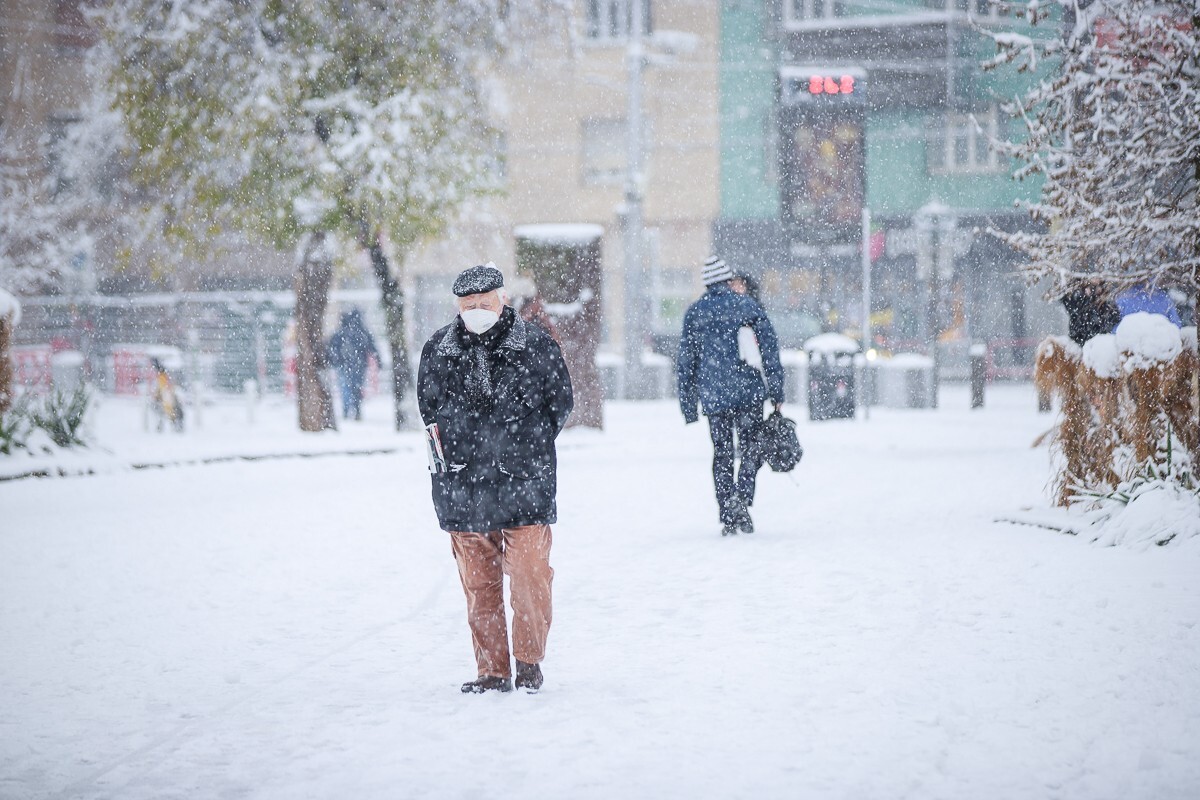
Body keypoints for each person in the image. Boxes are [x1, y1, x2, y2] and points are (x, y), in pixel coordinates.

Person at [417, 263, 573, 694]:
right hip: (464, 487)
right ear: (457, 306)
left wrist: (525, 444)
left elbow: (561, 404)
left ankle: (528, 662)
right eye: (468, 305)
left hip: (525, 483)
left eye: (484, 303)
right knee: (478, 586)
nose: (476, 311)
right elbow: (428, 411)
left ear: (503, 299)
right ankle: (492, 671)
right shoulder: (439, 351)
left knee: (530, 575)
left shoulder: (537, 346)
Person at [677, 256, 785, 536]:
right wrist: (776, 390)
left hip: (715, 397)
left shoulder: (695, 313)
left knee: (722, 453)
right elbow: (769, 350)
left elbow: (686, 362)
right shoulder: (747, 306)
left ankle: (727, 510)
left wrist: (688, 404)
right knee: (751, 448)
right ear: (726, 280)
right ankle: (742, 497)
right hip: (749, 393)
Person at [326, 308, 379, 420]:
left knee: (345, 387)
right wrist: (378, 360)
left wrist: (332, 360)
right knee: (357, 387)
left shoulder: (340, 332)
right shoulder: (362, 332)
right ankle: (356, 408)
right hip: (359, 365)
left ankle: (346, 409)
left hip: (343, 364)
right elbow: (371, 347)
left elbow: (332, 347)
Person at [1060, 280, 1120, 346]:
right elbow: (1068, 302)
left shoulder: (1108, 306)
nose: (1094, 290)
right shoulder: (1079, 301)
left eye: (1099, 286)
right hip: (1079, 342)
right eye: (1091, 287)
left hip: (1099, 344)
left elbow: (1112, 322)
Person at [1114, 280, 1183, 328]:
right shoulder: (1164, 297)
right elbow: (1176, 324)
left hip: (1130, 342)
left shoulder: (1124, 297)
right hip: (1158, 342)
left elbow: (1116, 325)